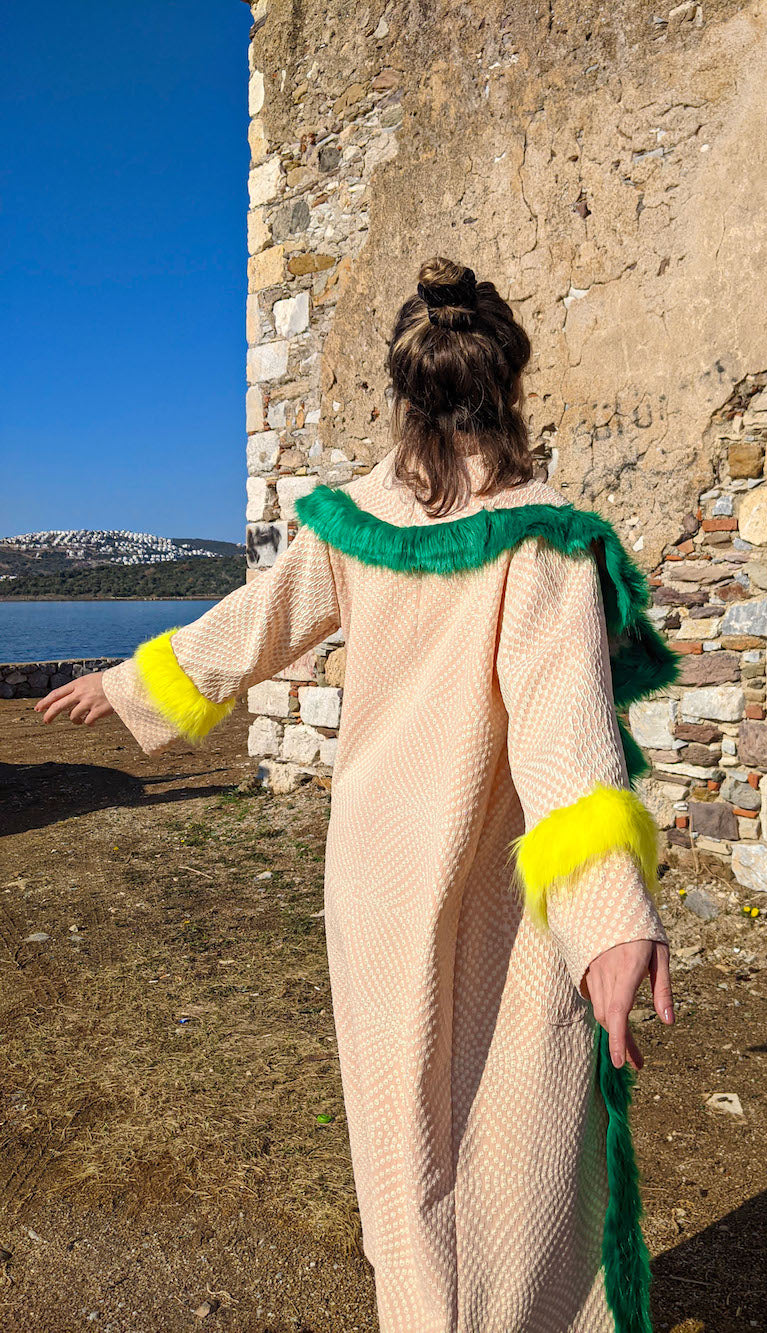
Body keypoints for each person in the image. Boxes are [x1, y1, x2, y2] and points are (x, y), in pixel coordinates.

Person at [35, 256, 680, 1333]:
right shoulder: (545, 533)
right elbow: (567, 740)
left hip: (374, 878)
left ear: (403, 395)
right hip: (500, 891)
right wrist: (610, 917)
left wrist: (125, 680)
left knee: (404, 1140)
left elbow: (247, 625)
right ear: (509, 388)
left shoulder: (353, 521)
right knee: (514, 1131)